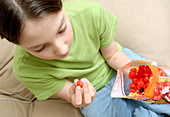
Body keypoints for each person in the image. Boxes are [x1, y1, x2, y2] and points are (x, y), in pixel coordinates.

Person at [0, 0, 170, 116]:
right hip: (94, 97)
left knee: (164, 90)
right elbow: (69, 92)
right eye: (40, 48)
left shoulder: (89, 12)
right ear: (18, 44)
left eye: (62, 29)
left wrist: (144, 71)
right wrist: (75, 95)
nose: (62, 49)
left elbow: (113, 55)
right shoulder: (26, 69)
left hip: (116, 63)